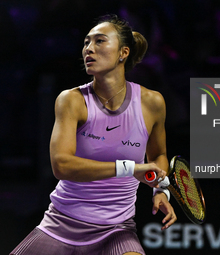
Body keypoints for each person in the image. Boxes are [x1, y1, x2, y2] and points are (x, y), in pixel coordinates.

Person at [10, 14, 176, 255]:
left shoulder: (152, 103)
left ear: (124, 53)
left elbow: (158, 154)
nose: (89, 48)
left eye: (100, 41)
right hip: (61, 225)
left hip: (117, 229)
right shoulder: (72, 100)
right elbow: (61, 165)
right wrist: (130, 168)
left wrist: (160, 190)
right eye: (86, 42)